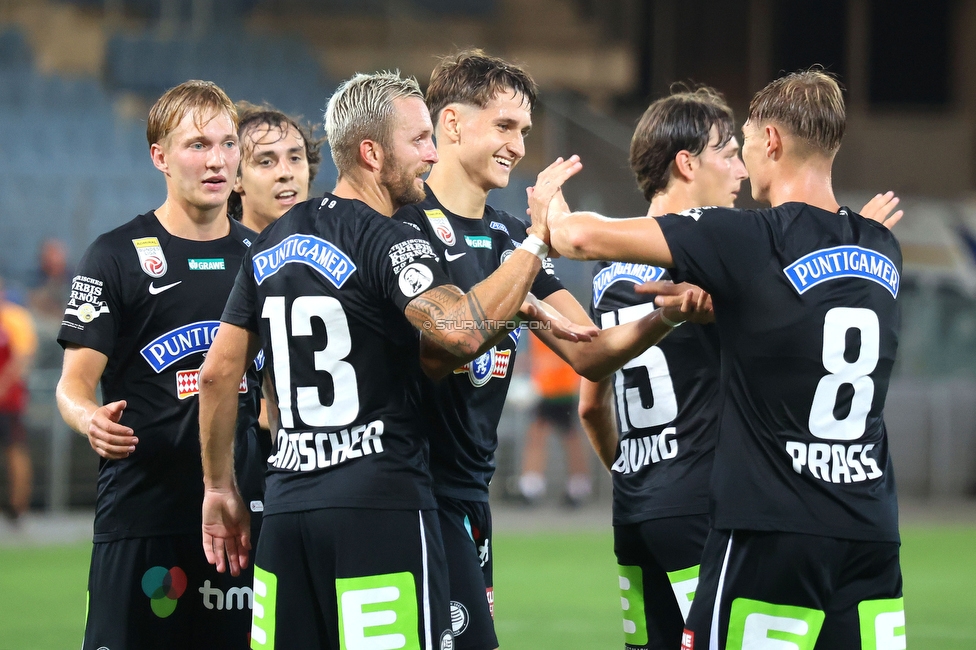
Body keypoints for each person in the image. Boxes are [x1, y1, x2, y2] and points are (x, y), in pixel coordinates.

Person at [197, 70, 577, 650]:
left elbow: (218, 373)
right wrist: (535, 241)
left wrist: (219, 487)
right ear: (372, 154)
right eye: (419, 140)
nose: (431, 154)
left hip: (288, 512)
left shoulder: (272, 242)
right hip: (381, 508)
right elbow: (458, 332)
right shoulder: (389, 238)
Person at [535, 69, 907, 650]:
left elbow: (576, 239)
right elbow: (795, 309)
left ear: (774, 144)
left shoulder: (742, 240)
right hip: (870, 525)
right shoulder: (880, 246)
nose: (741, 164)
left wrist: (547, 203)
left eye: (747, 145)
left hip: (766, 520)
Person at [393, 49, 708, 650]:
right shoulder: (399, 224)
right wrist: (537, 247)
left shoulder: (510, 237)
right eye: (504, 126)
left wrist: (664, 317)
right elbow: (438, 350)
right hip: (408, 495)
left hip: (467, 496)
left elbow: (589, 350)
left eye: (525, 131)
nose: (518, 144)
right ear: (452, 124)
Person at [55, 80, 264, 650]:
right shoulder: (115, 256)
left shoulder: (263, 259)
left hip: (239, 522)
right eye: (198, 145)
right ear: (160, 157)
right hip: (142, 516)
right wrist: (87, 417)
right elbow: (73, 383)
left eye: (227, 143)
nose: (217, 160)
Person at [517, 332, 592, 507]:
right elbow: (529, 356)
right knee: (538, 435)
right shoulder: (534, 328)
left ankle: (578, 486)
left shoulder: (564, 324)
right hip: (543, 389)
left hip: (563, 388)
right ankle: (531, 486)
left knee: (570, 438)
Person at [228, 101, 323, 234]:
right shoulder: (214, 251)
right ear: (235, 178)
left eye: (295, 158)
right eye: (266, 162)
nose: (286, 172)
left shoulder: (338, 248)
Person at [0, 277, 37, 522]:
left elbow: (23, 357)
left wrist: (2, 386)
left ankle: (18, 506)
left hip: (8, 401)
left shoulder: (14, 318)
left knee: (14, 449)